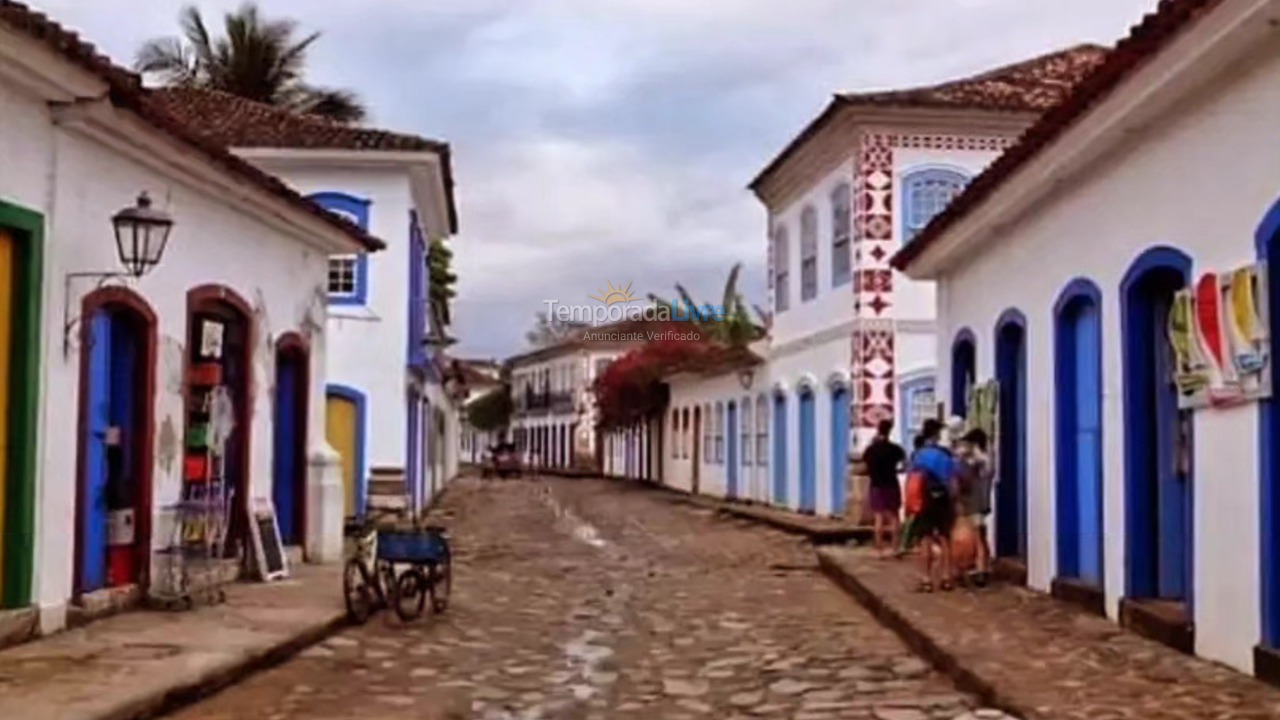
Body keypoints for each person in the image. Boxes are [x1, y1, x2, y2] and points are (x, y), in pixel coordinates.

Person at [912, 418, 957, 592]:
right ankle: (946, 577)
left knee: (926, 539)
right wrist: (954, 499)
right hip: (943, 499)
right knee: (945, 538)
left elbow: (913, 479)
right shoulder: (945, 455)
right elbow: (953, 480)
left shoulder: (919, 455)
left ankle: (926, 579)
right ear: (937, 434)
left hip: (924, 500)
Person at [956, 428, 995, 586]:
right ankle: (984, 567)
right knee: (982, 537)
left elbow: (963, 479)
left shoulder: (974, 460)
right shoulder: (987, 458)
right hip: (982, 502)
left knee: (976, 538)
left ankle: (980, 571)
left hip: (972, 503)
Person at [862, 419, 906, 558]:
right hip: (891, 484)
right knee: (894, 517)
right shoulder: (895, 449)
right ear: (890, 431)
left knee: (879, 518)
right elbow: (904, 464)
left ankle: (879, 550)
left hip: (876, 485)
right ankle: (895, 548)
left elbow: (865, 464)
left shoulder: (871, 450)